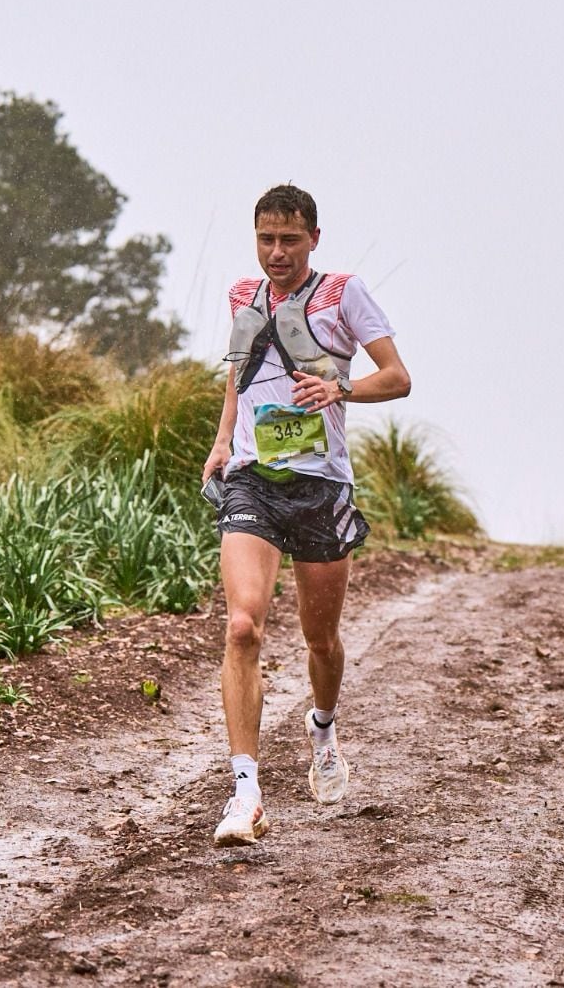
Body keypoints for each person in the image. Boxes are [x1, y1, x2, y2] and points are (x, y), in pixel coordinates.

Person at [202, 184, 411, 845]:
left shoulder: (343, 292)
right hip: (252, 483)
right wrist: (220, 442)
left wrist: (338, 387)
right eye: (266, 239)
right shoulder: (244, 296)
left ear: (313, 239)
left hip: (320, 487)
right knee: (242, 627)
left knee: (321, 643)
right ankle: (246, 793)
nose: (277, 252)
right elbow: (239, 375)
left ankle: (321, 729)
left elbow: (398, 376)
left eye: (290, 239)